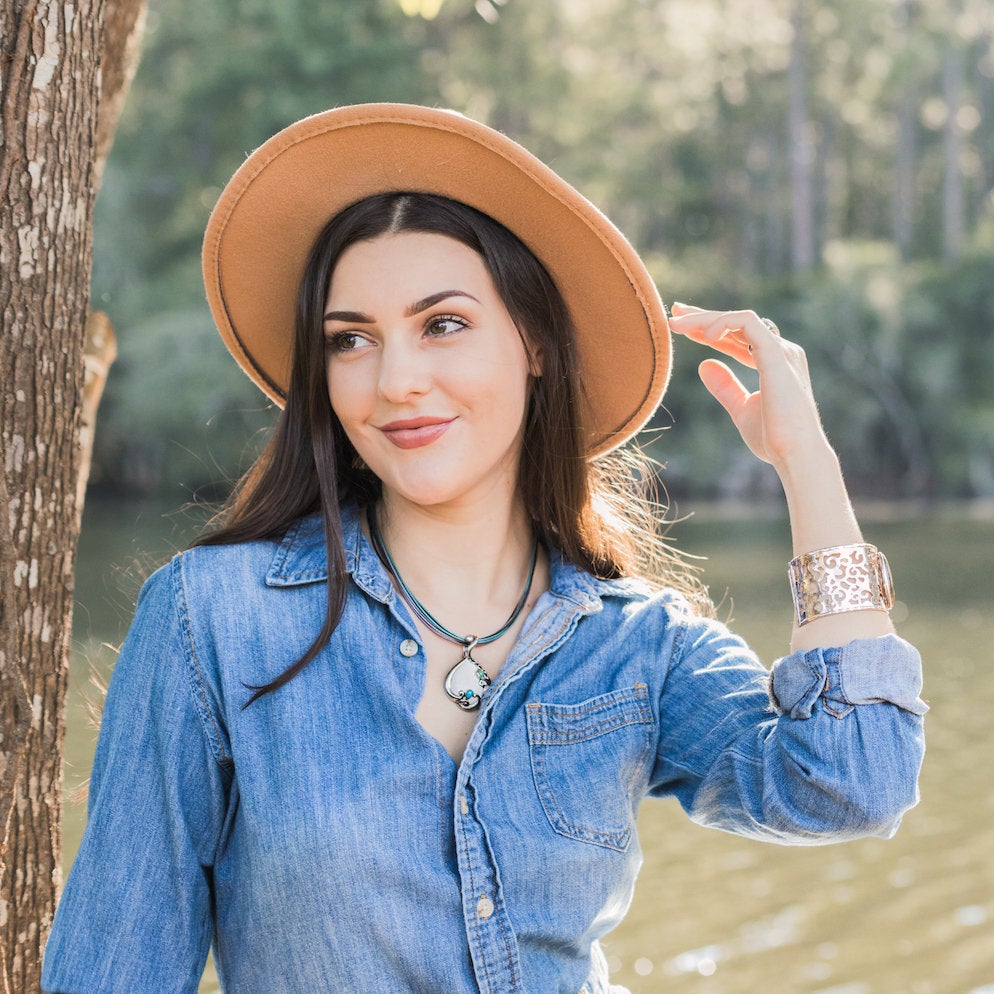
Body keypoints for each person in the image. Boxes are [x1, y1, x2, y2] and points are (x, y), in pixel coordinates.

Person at [43, 104, 926, 994]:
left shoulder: (633, 644)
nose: (395, 382)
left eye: (444, 324)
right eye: (351, 340)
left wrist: (805, 462)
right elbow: (114, 969)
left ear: (534, 342)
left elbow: (852, 781)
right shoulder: (214, 618)